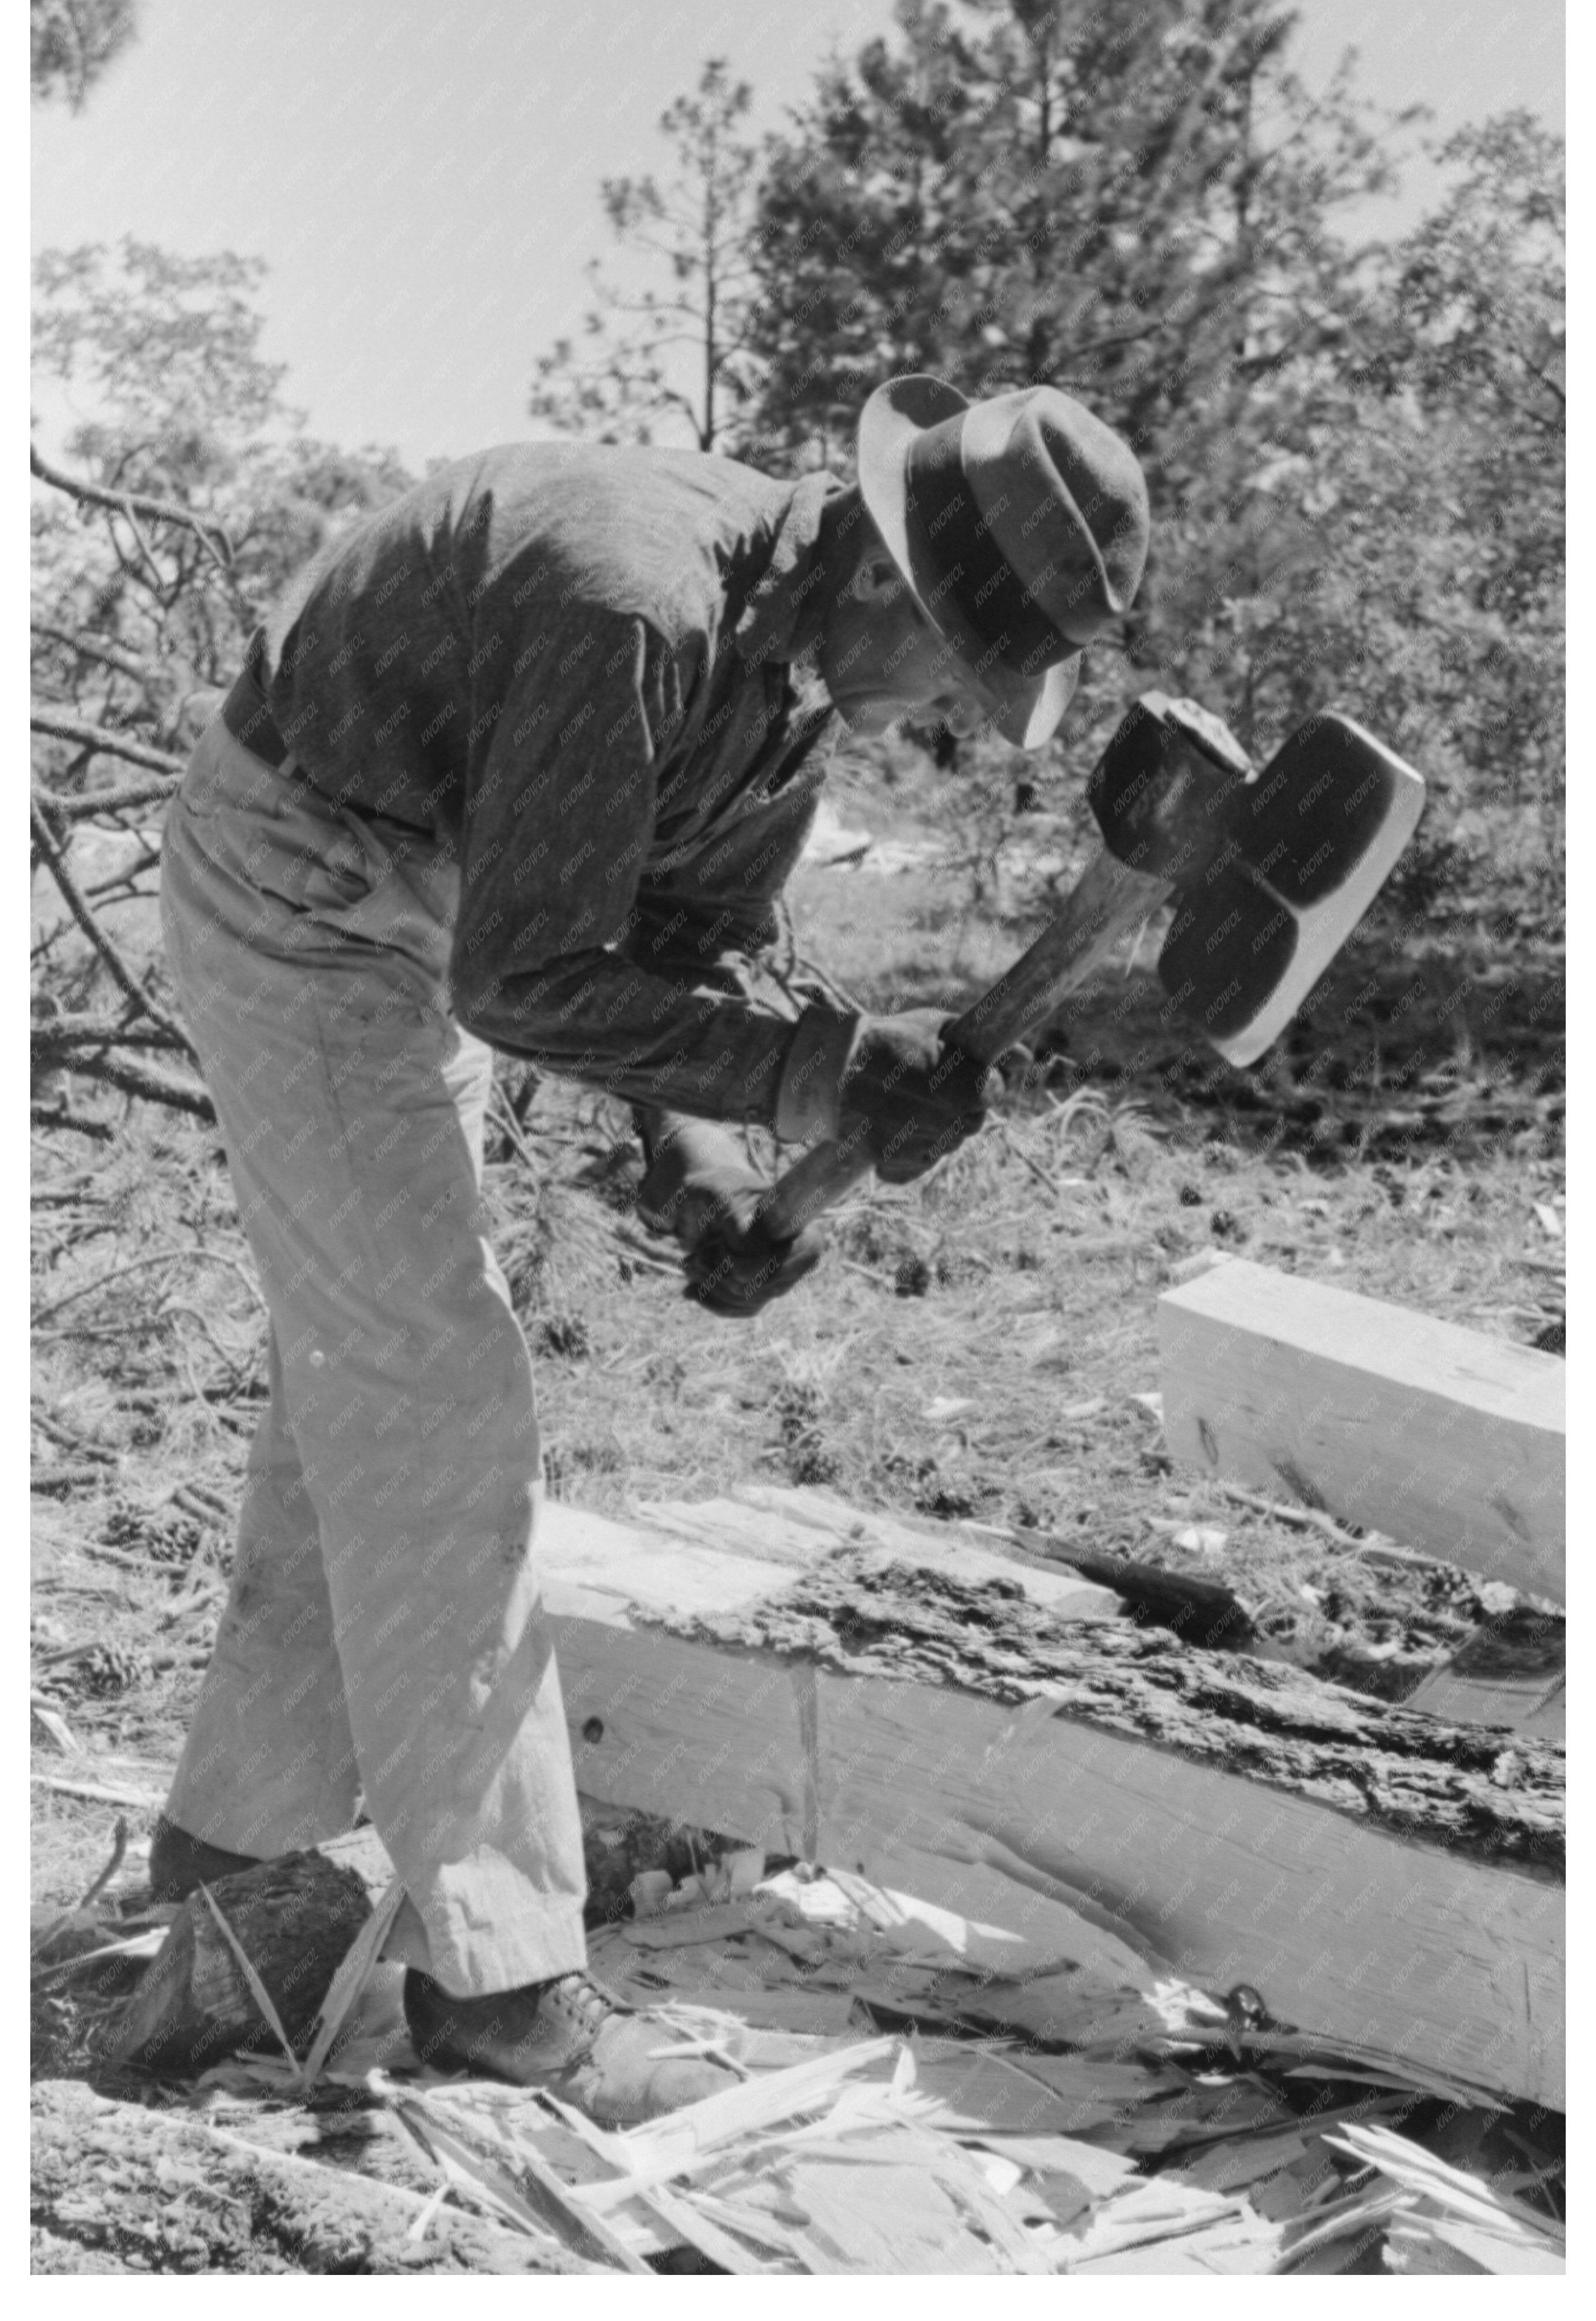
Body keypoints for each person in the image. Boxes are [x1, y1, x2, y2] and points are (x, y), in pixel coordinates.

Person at [151, 375, 1149, 2120]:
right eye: (953, 676)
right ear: (888, 587)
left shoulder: (778, 686)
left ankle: (224, 1867)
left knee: (364, 1387)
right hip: (300, 865)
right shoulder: (630, 593)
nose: (944, 718)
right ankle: (505, 1981)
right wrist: (806, 1069)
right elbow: (526, 981)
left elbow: (684, 936)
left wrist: (703, 1165)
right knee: (437, 1391)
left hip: (426, 888)